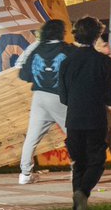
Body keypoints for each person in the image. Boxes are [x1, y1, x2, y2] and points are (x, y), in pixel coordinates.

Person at [59, 16, 111, 210]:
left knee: (79, 163)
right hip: (95, 117)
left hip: (74, 118)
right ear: (97, 36)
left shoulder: (67, 62)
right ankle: (83, 192)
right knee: (97, 160)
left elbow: (63, 96)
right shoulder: (104, 62)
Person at [15, 20, 75, 184]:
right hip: (60, 97)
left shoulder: (37, 49)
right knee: (74, 133)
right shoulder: (68, 50)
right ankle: (78, 171)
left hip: (39, 97)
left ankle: (25, 174)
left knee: (32, 137)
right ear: (61, 32)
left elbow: (24, 75)